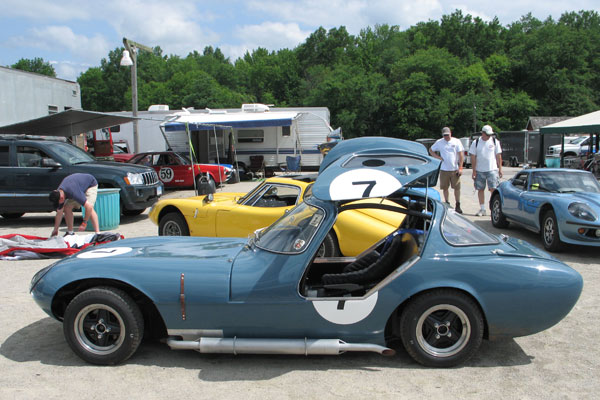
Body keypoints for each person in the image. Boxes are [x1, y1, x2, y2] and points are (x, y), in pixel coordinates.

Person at [469, 125, 503, 216]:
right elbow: (473, 157)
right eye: (487, 134)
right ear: (482, 133)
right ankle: (482, 209)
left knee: (493, 189)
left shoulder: (495, 142)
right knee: (480, 189)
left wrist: (500, 169)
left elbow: (498, 156)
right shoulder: (476, 142)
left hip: (492, 169)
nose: (489, 136)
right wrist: (474, 171)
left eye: (490, 134)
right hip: (480, 170)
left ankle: (493, 208)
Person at [429, 127, 464, 213]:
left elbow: (461, 155)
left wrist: (460, 167)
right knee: (445, 187)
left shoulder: (456, 141)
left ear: (450, 133)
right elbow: (431, 150)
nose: (446, 137)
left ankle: (458, 204)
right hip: (444, 169)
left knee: (457, 187)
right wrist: (437, 157)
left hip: (454, 169)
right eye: (444, 135)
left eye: (447, 135)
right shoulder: (439, 142)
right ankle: (447, 203)